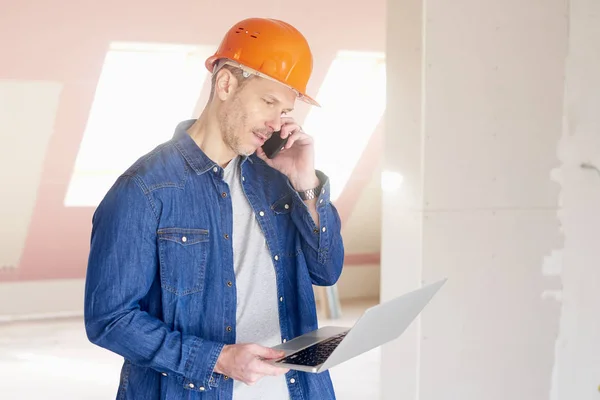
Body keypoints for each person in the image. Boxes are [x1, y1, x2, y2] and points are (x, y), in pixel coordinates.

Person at [83, 17, 345, 400]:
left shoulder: (278, 177)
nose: (276, 123)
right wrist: (218, 359)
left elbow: (327, 270)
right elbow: (109, 320)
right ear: (226, 84)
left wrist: (306, 182)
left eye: (286, 110)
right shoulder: (144, 189)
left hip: (297, 389)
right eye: (268, 101)